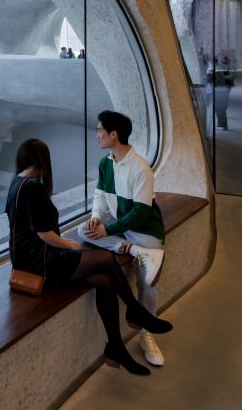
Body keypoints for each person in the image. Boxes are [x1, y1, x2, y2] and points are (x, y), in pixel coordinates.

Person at [7, 138, 172, 376]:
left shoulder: (17, 182)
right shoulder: (34, 187)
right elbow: (44, 234)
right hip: (43, 264)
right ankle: (135, 310)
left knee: (105, 282)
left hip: (27, 260)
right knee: (105, 259)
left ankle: (115, 347)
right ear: (44, 161)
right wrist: (69, 245)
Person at [78, 110, 168, 366]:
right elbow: (100, 195)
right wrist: (97, 218)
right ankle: (130, 249)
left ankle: (146, 334)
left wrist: (108, 230)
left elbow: (141, 213)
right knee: (82, 231)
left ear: (114, 134)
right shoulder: (106, 163)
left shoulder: (141, 168)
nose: (97, 134)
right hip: (123, 231)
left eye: (100, 130)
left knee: (147, 285)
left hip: (145, 230)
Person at [206, 54, 235, 130]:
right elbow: (229, 79)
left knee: (219, 108)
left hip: (219, 90)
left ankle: (222, 125)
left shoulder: (214, 69)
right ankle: (222, 124)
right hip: (224, 89)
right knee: (221, 107)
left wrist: (209, 70)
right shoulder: (224, 66)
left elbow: (209, 80)